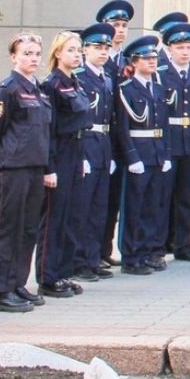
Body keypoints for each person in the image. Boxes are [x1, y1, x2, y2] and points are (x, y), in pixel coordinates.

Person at [0, 33, 53, 311]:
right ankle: (1, 289)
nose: (33, 59)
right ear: (13, 57)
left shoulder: (39, 89)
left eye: (36, 54)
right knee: (9, 228)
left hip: (34, 167)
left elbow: (44, 133)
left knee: (28, 229)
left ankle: (17, 283)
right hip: (12, 168)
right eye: (26, 53)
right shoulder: (7, 89)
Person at [37, 31, 92, 298]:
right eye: (71, 50)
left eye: (78, 49)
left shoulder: (75, 82)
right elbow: (48, 130)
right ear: (58, 53)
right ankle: (47, 277)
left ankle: (63, 272)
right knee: (53, 219)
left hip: (75, 150)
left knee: (71, 216)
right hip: (59, 152)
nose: (77, 54)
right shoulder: (52, 85)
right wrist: (49, 167)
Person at [114, 35, 172, 276]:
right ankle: (131, 255)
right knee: (134, 207)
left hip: (157, 152)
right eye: (146, 58)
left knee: (153, 206)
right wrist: (131, 157)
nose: (152, 61)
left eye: (154, 58)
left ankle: (149, 251)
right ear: (134, 61)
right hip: (139, 154)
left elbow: (165, 124)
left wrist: (167, 154)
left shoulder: (158, 88)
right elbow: (123, 127)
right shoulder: (126, 89)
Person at [159, 22, 190, 263]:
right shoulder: (160, 74)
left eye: (188, 47)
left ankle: (184, 246)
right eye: (179, 47)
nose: (185, 52)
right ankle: (159, 246)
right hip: (169, 142)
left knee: (186, 198)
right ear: (169, 50)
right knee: (163, 196)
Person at [73, 23, 116, 282]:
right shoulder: (80, 76)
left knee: (100, 207)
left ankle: (92, 258)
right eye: (97, 47)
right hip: (87, 141)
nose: (103, 52)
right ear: (85, 49)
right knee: (83, 207)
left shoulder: (106, 78)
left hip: (103, 142)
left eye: (106, 48)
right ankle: (78, 261)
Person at [95, 0, 133, 268]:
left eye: (123, 25)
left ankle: (105, 248)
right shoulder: (101, 61)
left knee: (113, 200)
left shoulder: (129, 59)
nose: (119, 30)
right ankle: (92, 252)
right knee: (97, 199)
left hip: (122, 139)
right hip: (102, 138)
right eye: (114, 25)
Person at [95, 0, 134, 78]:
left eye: (124, 26)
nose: (121, 30)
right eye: (116, 25)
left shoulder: (131, 61)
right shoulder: (95, 58)